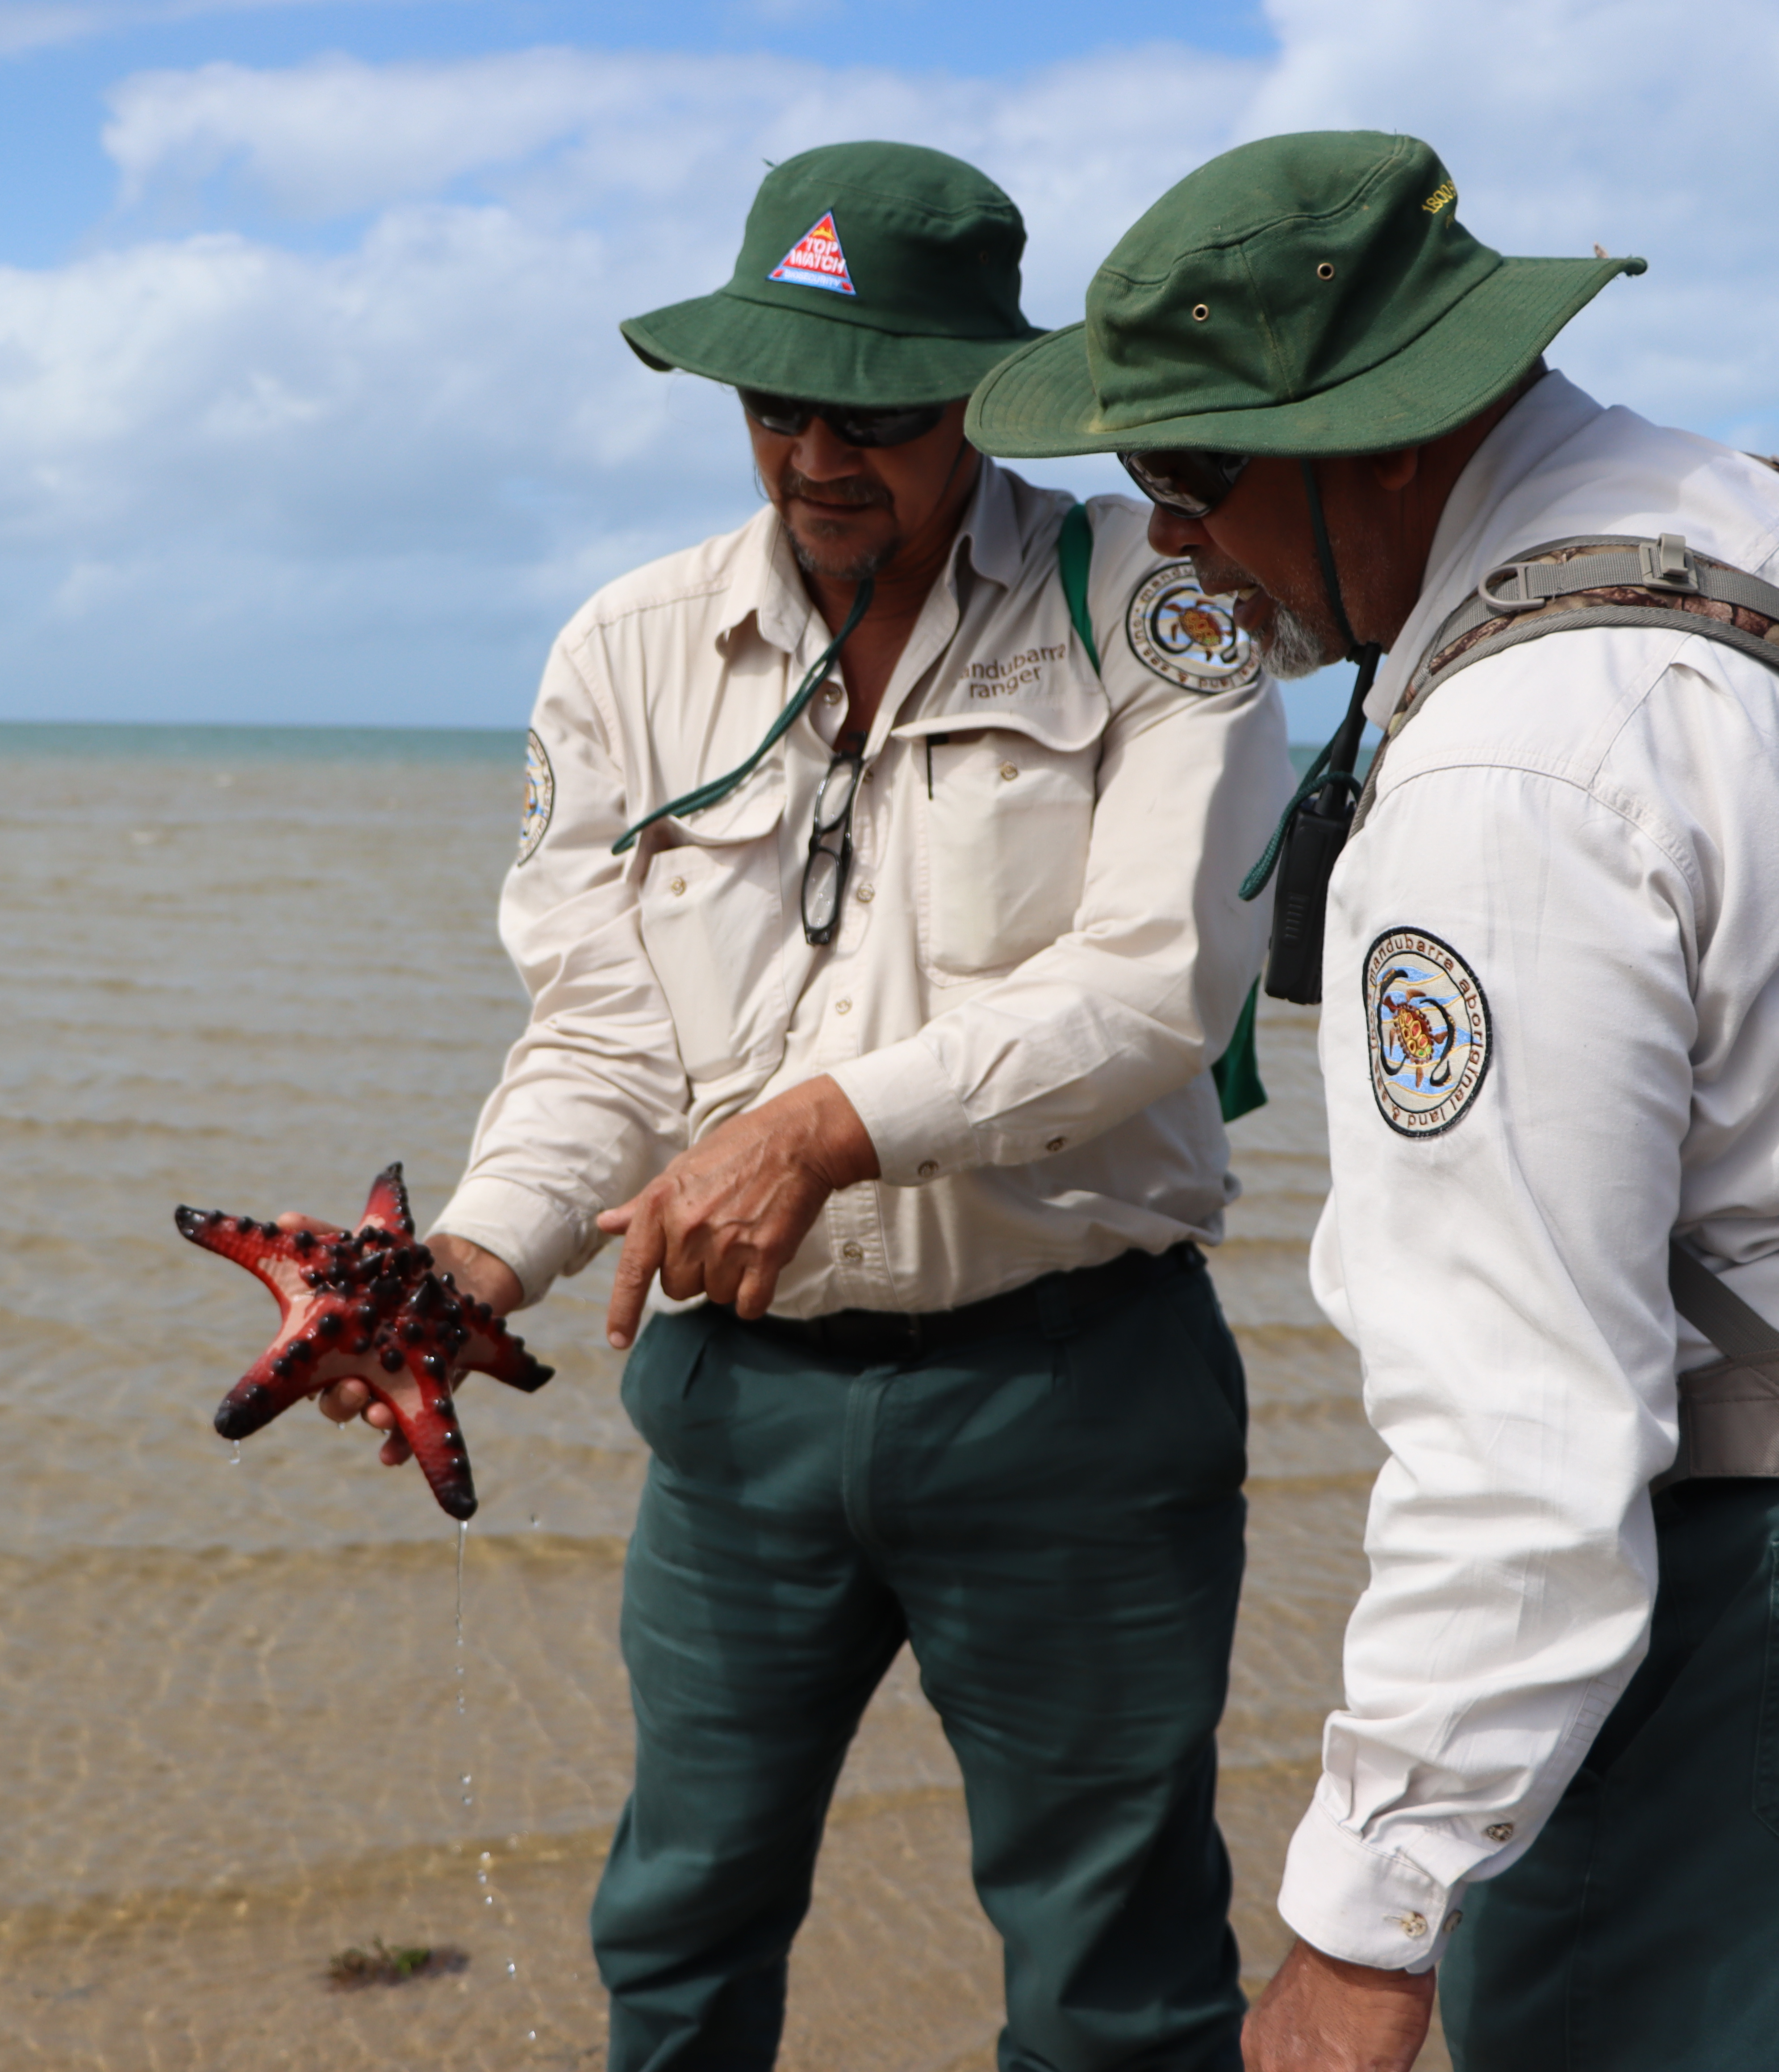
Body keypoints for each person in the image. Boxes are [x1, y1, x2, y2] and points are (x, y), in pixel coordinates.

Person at [967, 130, 1779, 2072]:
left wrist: (1366, 1920)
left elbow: (1525, 1416)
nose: (1164, 538)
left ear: (1387, 443)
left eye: (1193, 479)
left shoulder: (1508, 777)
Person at [308, 141, 1289, 2069]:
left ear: (995, 400)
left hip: (1076, 1397)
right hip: (740, 1407)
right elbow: (602, 1037)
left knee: (1119, 1967)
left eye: (885, 413)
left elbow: (1156, 990)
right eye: (780, 406)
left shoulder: (1164, 609)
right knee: (676, 1917)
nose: (822, 459)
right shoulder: (626, 648)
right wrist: (469, 1258)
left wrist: (824, 1124)